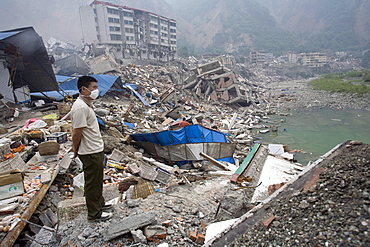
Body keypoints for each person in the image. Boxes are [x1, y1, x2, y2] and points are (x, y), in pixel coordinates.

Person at [70, 75, 112, 222]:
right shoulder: (80, 108)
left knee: (97, 180)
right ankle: (94, 214)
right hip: (90, 151)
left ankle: (100, 204)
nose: (96, 90)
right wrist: (75, 149)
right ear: (83, 89)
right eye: (93, 87)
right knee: (92, 183)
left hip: (95, 149)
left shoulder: (86, 104)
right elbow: (77, 133)